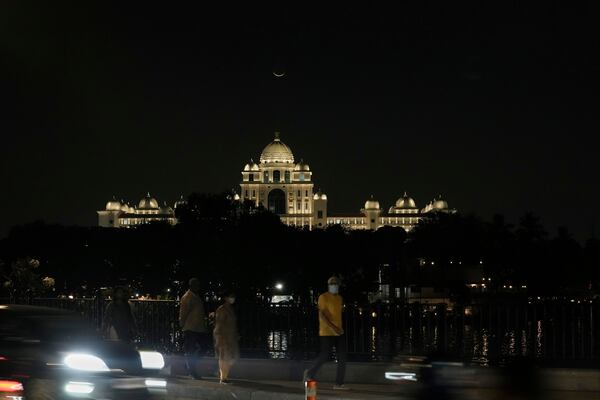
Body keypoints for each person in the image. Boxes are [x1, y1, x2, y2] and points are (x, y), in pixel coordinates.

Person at [304, 276, 349, 390]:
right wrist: (334, 327)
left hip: (339, 332)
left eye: (336, 283)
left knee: (342, 358)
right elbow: (322, 315)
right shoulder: (323, 297)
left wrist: (339, 328)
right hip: (327, 332)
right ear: (328, 285)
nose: (334, 285)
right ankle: (310, 373)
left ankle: (339, 384)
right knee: (324, 356)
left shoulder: (339, 298)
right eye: (332, 283)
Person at [179, 277, 208, 379]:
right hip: (190, 328)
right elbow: (183, 313)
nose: (198, 286)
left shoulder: (195, 296)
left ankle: (191, 366)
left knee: (203, 347)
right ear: (191, 285)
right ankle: (192, 370)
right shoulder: (187, 297)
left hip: (198, 328)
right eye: (196, 284)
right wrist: (182, 325)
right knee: (191, 350)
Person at [213, 291, 239, 384]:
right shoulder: (222, 309)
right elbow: (219, 324)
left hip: (230, 337)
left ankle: (222, 376)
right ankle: (223, 378)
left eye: (233, 296)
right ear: (225, 298)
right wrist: (220, 338)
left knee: (230, 358)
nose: (232, 299)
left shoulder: (230, 309)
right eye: (230, 296)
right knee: (225, 358)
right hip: (223, 337)